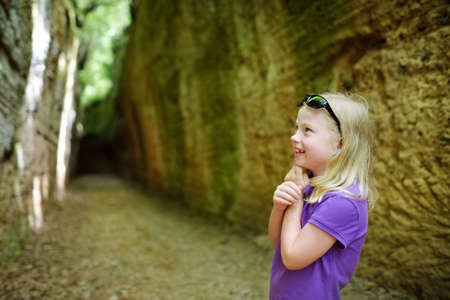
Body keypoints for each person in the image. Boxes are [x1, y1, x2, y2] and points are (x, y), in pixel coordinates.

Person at [268, 92, 377, 300]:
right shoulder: (311, 186)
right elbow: (278, 242)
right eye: (297, 128)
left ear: (340, 144)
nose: (294, 137)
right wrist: (279, 205)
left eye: (307, 130)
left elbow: (291, 257)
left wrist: (295, 199)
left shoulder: (344, 202)